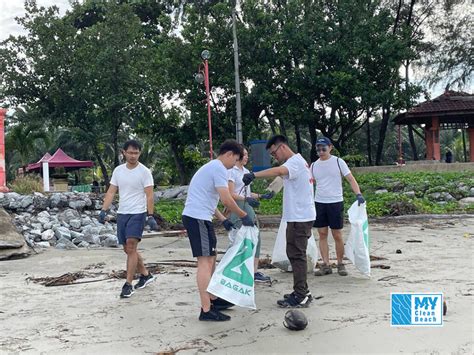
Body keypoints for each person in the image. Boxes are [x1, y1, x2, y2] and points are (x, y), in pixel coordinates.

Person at [182, 139, 255, 322]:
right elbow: (226, 199)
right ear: (229, 154)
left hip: (202, 217)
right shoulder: (219, 169)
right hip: (196, 217)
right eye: (236, 159)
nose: (235, 164)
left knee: (211, 258)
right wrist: (243, 214)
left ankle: (213, 298)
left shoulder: (213, 168)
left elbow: (208, 199)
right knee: (205, 262)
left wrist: (223, 220)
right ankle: (206, 309)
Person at [242, 135, 315, 308]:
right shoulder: (298, 162)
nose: (275, 158)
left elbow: (279, 171)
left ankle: (300, 295)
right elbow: (280, 179)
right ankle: (303, 290)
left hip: (300, 217)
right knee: (295, 254)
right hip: (299, 216)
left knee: (297, 255)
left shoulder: (294, 162)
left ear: (281, 147)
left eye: (274, 153)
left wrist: (254, 175)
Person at [99, 140, 158, 298]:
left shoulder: (144, 172)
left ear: (140, 153)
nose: (133, 155)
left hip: (138, 213)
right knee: (128, 249)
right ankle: (146, 275)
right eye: (130, 152)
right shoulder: (118, 171)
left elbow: (149, 194)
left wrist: (150, 215)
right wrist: (103, 210)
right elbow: (111, 191)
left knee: (131, 247)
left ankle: (128, 284)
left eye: (136, 152)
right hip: (122, 213)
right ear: (123, 152)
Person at [310, 137, 365, 277]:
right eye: (318, 149)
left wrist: (358, 194)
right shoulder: (314, 165)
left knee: (337, 234)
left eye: (323, 148)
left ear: (330, 147)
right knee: (322, 233)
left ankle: (340, 263)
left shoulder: (338, 162)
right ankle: (326, 264)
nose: (321, 151)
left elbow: (350, 178)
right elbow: (309, 183)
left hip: (335, 202)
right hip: (319, 202)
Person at [227, 146, 274, 283]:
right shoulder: (232, 172)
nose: (247, 157)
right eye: (245, 154)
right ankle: (232, 269)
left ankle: (253, 271)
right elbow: (231, 194)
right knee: (238, 238)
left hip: (247, 206)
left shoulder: (246, 171)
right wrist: (246, 199)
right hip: (238, 206)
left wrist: (261, 196)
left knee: (255, 237)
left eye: (247, 154)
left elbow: (247, 193)